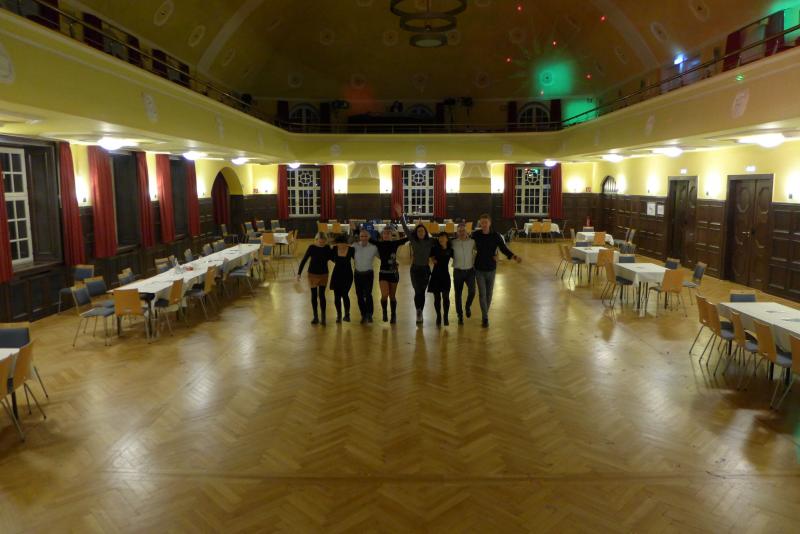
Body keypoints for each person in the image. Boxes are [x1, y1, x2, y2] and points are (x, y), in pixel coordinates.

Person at [471, 213, 522, 328]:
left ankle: (485, 314)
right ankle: (485, 317)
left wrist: (514, 256)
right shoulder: (475, 235)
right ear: (480, 223)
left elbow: (503, 249)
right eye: (482, 222)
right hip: (479, 269)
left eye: (486, 222)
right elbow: (468, 245)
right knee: (482, 294)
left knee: (489, 294)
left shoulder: (496, 236)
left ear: (490, 223)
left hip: (491, 269)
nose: (484, 224)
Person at [400, 212, 435, 325]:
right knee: (417, 291)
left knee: (422, 292)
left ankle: (420, 311)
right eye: (419, 231)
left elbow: (443, 241)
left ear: (426, 232)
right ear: (416, 233)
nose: (420, 233)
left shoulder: (430, 241)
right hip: (415, 270)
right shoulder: (413, 241)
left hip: (425, 270)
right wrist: (401, 216)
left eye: (422, 231)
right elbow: (405, 229)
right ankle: (418, 311)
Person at [370, 226, 409, 323]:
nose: (386, 235)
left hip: (393, 273)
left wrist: (415, 229)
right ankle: (384, 311)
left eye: (388, 233)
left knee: (392, 296)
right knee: (384, 294)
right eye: (384, 233)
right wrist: (356, 229)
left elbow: (408, 238)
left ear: (392, 235)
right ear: (382, 235)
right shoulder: (379, 244)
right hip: (383, 273)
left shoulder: (395, 243)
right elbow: (367, 238)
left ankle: (393, 314)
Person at [297, 232, 333, 325]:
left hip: (324, 274)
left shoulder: (327, 248)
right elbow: (304, 260)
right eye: (320, 242)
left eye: (323, 242)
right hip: (312, 274)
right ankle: (315, 316)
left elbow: (333, 258)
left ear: (326, 241)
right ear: (316, 240)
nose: (321, 244)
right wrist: (299, 273)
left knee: (321, 295)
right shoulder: (311, 247)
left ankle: (323, 317)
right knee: (314, 295)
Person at [451, 222, 476, 325]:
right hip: (458, 271)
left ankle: (467, 306)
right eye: (460, 231)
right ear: (457, 232)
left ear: (467, 231)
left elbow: (484, 248)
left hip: (470, 271)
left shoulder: (473, 242)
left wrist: (495, 254)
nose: (462, 232)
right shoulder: (453, 242)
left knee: (472, 292)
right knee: (458, 294)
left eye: (463, 230)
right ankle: (460, 315)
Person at [352, 229, 379, 323]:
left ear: (369, 237)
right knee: (359, 295)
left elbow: (382, 256)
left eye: (365, 236)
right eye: (361, 236)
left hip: (368, 274)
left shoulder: (374, 247)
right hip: (357, 274)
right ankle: (363, 314)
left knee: (368, 294)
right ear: (359, 237)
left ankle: (369, 314)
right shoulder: (354, 246)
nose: (363, 238)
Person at [428, 232, 454, 327]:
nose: (441, 239)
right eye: (440, 237)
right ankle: (438, 316)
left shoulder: (450, 250)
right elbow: (430, 256)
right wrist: (432, 259)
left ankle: (445, 316)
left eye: (443, 237)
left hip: (445, 276)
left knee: (446, 297)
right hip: (435, 275)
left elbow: (457, 257)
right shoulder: (434, 248)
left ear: (447, 239)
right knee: (437, 298)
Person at [329, 234, 355, 323]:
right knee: (337, 296)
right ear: (337, 243)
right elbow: (330, 257)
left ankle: (347, 315)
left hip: (348, 275)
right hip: (337, 274)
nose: (341, 245)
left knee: (345, 294)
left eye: (343, 243)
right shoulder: (334, 249)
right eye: (339, 243)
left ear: (346, 243)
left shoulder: (351, 249)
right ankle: (339, 315)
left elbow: (357, 259)